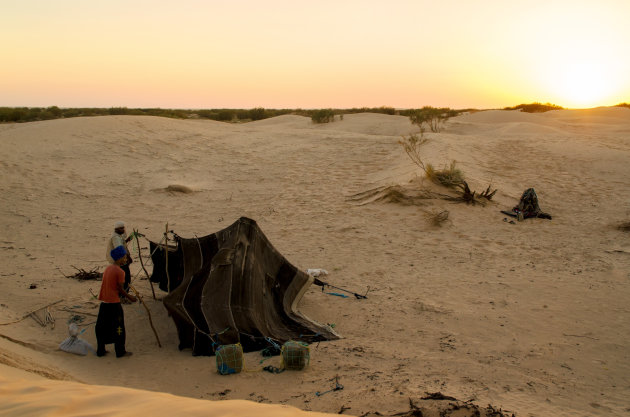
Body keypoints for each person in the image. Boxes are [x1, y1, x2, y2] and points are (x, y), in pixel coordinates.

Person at [96, 245, 137, 357]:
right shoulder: (120, 272)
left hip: (104, 303)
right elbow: (120, 289)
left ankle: (101, 350)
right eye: (124, 257)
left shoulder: (108, 268)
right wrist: (130, 297)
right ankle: (120, 351)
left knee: (101, 326)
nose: (125, 259)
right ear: (119, 258)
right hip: (114, 303)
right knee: (119, 328)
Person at [106, 221, 134, 292]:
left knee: (124, 277)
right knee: (126, 277)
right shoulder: (115, 237)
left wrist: (127, 240)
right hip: (119, 260)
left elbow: (121, 243)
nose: (123, 230)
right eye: (121, 228)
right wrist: (128, 258)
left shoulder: (118, 236)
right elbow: (120, 249)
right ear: (116, 229)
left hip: (120, 260)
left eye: (123, 228)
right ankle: (123, 295)